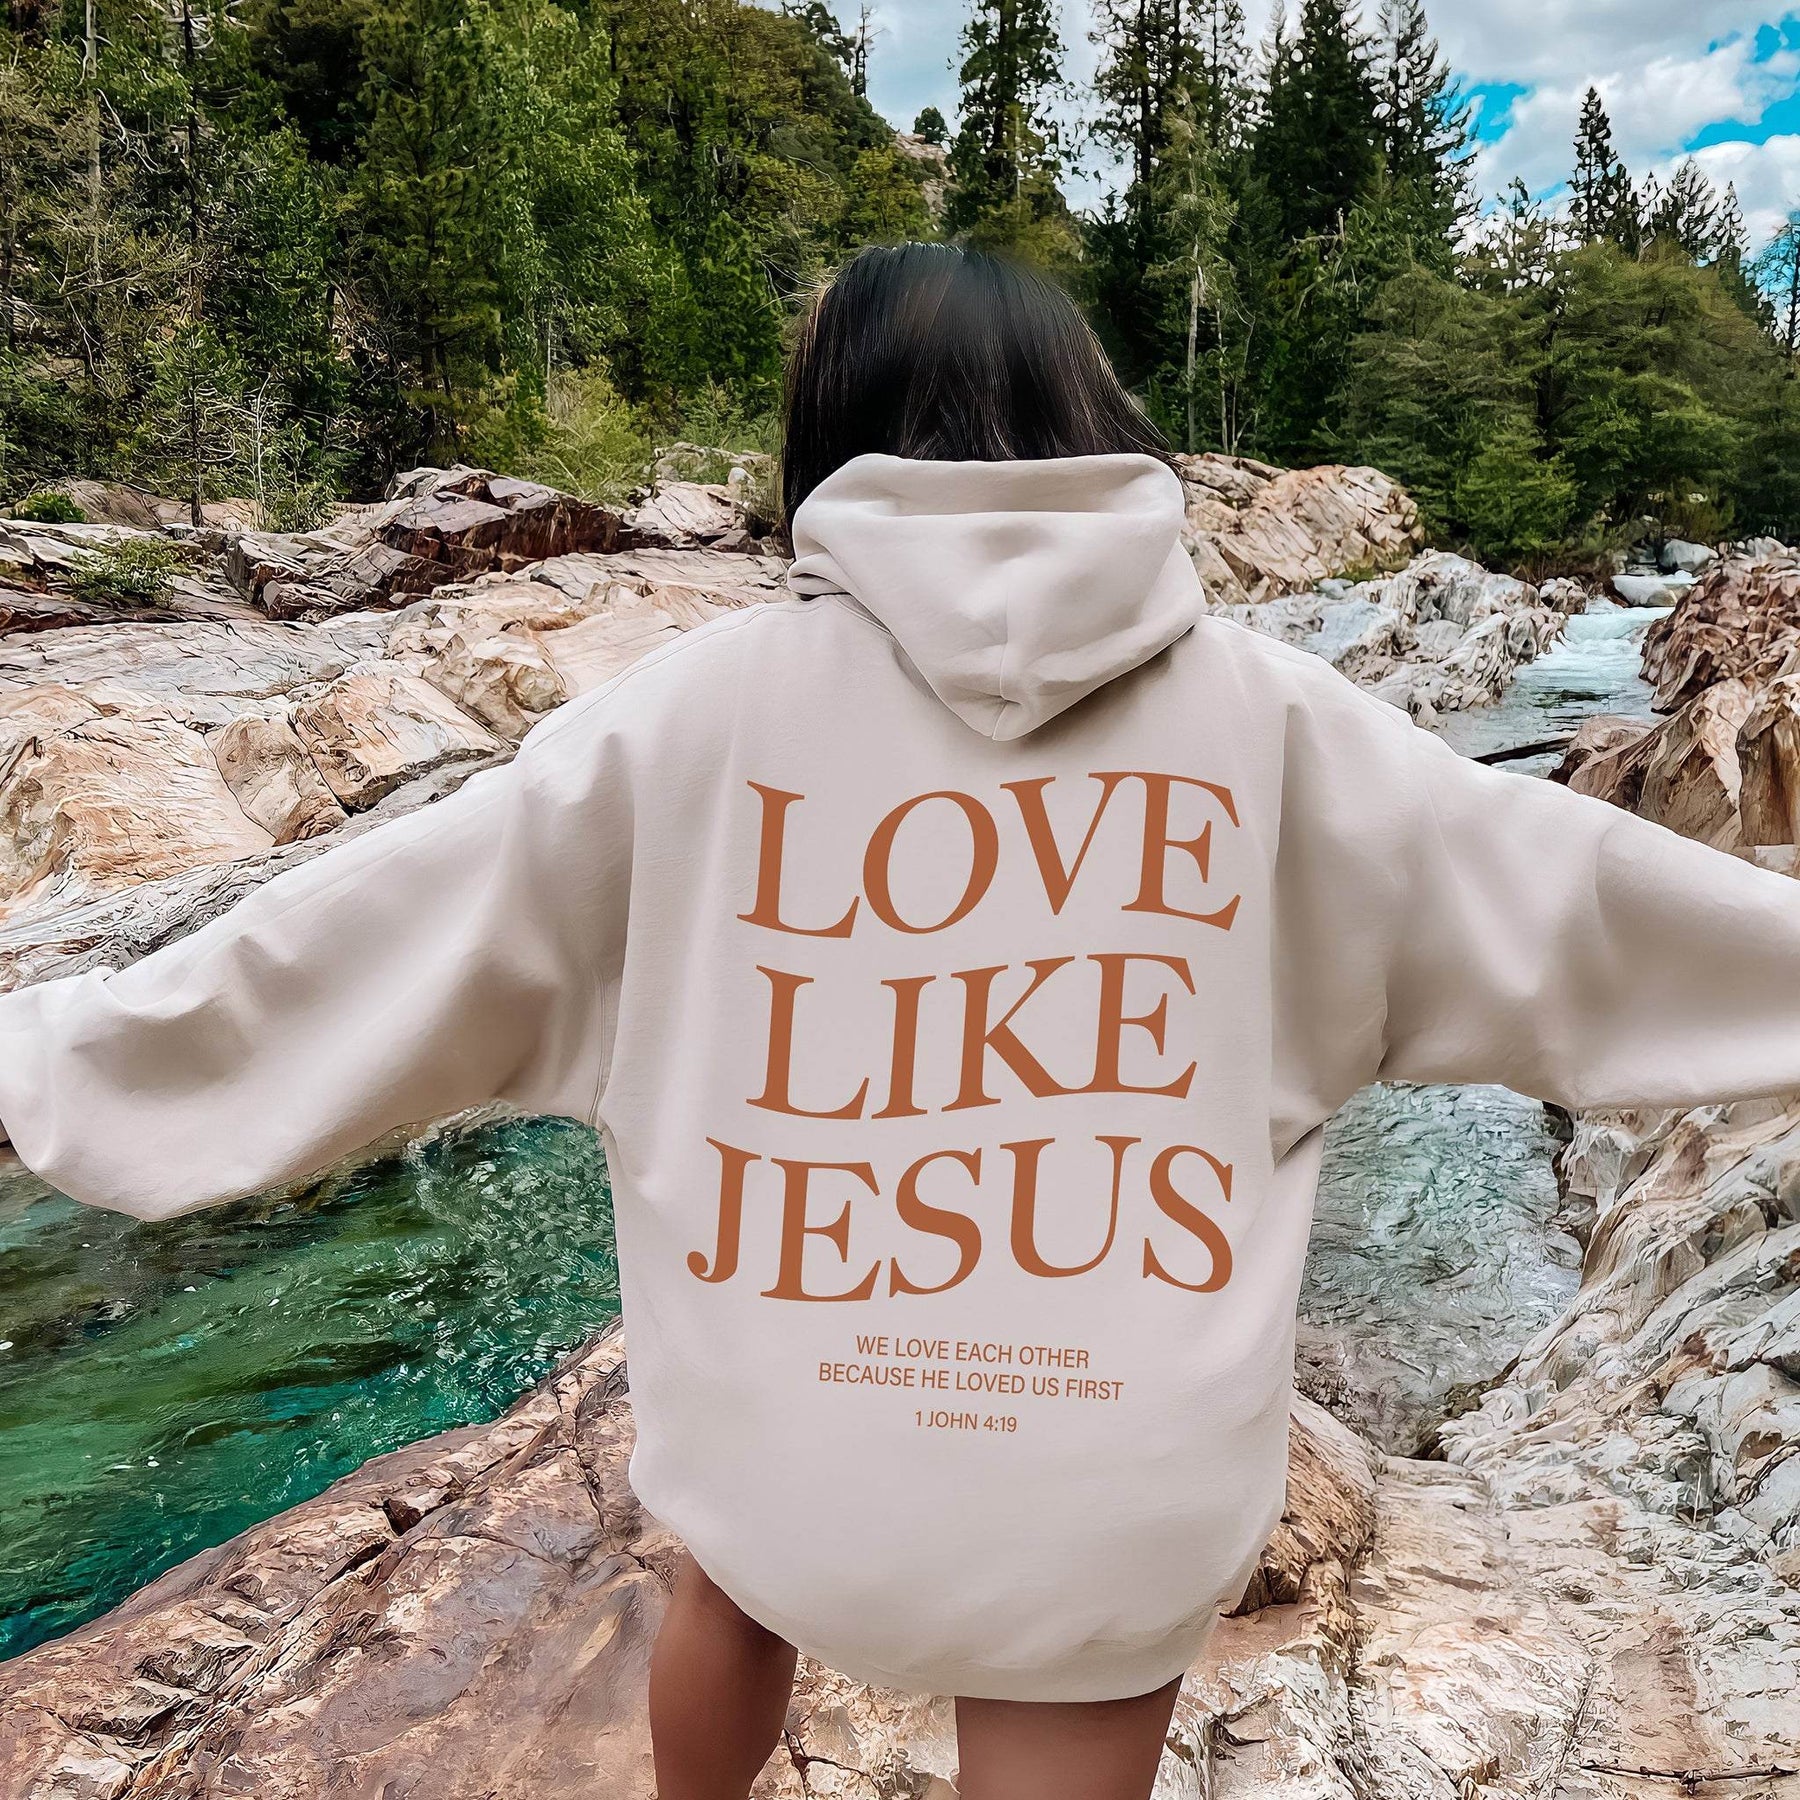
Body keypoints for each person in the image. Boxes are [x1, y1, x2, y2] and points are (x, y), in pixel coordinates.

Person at [3, 240, 1800, 1799]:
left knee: (726, 1548)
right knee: (1075, 1622)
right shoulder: (1287, 726)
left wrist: (51, 1059)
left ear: (831, 433)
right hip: (1112, 1489)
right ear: (1090, 415)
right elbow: (1584, 906)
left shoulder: (684, 716)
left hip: (795, 1469)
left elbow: (356, 946)